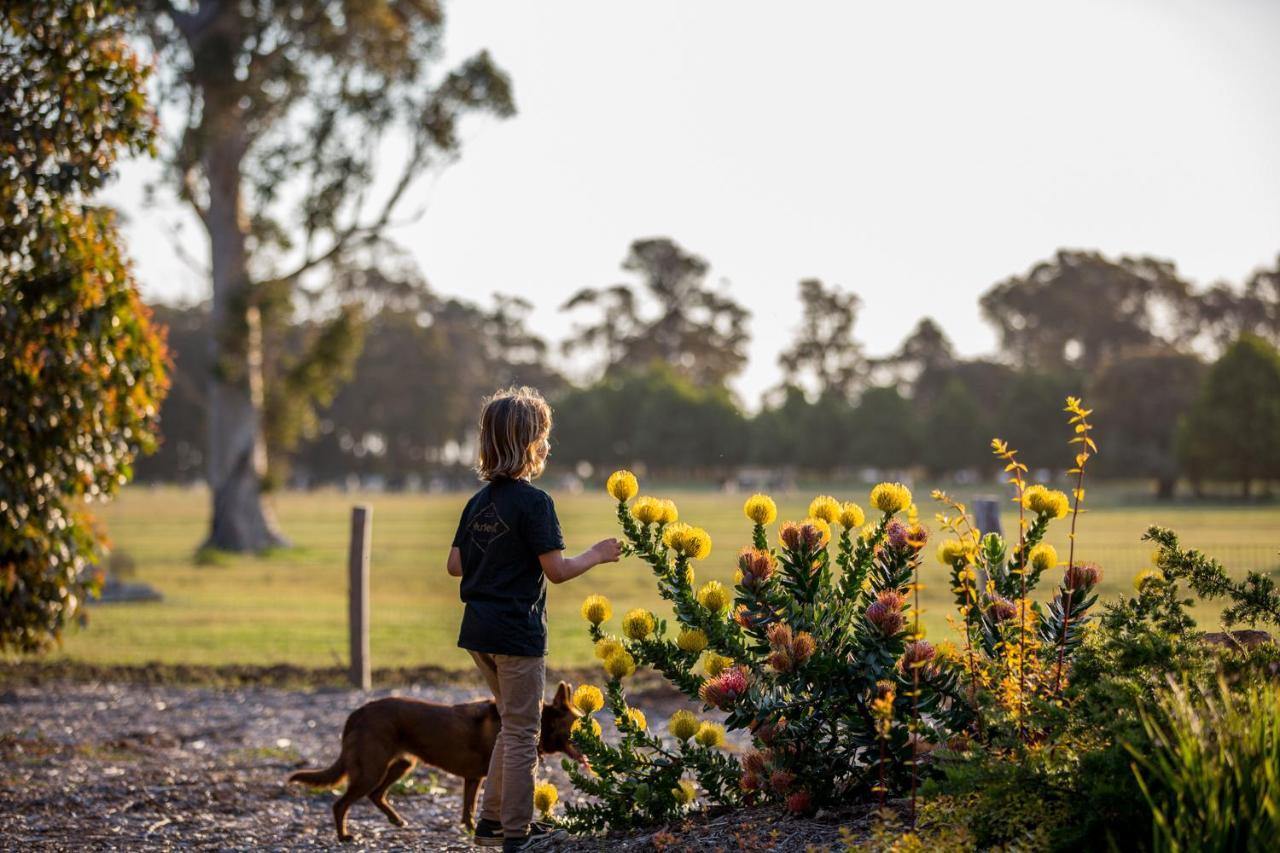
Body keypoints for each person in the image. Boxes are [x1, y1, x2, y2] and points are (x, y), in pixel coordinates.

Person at [447, 386, 621, 851]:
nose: (547, 445)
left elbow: (455, 565)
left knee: (511, 721)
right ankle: (517, 834)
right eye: (543, 437)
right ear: (530, 446)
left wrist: (495, 557)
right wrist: (598, 554)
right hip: (516, 635)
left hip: (478, 634)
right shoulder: (535, 503)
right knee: (525, 732)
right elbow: (557, 571)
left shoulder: (478, 502)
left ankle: (489, 824)